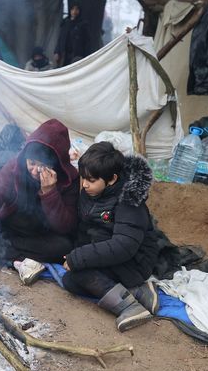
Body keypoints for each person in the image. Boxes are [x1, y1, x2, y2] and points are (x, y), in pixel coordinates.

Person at [61, 142, 159, 332]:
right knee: (70, 280)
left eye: (91, 180)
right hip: (108, 251)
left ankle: (131, 307)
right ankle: (137, 291)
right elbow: (86, 228)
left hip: (135, 260)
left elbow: (124, 245)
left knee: (80, 273)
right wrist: (75, 253)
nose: (85, 184)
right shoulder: (90, 192)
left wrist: (80, 257)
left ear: (112, 179)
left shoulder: (129, 201)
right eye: (84, 178)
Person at [0, 119, 79, 265]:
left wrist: (50, 193)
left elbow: (65, 226)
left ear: (56, 165)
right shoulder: (16, 166)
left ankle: (9, 257)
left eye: (42, 166)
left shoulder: (69, 179)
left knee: (64, 248)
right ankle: (18, 259)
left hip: (41, 236)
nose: (34, 171)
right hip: (11, 228)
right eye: (31, 163)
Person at [54, 2, 90, 67]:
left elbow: (87, 41)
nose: (74, 11)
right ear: (70, 11)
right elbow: (60, 38)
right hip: (64, 54)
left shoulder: (83, 24)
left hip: (77, 54)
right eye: (72, 9)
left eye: (76, 9)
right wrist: (57, 51)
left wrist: (85, 56)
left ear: (79, 11)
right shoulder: (65, 22)